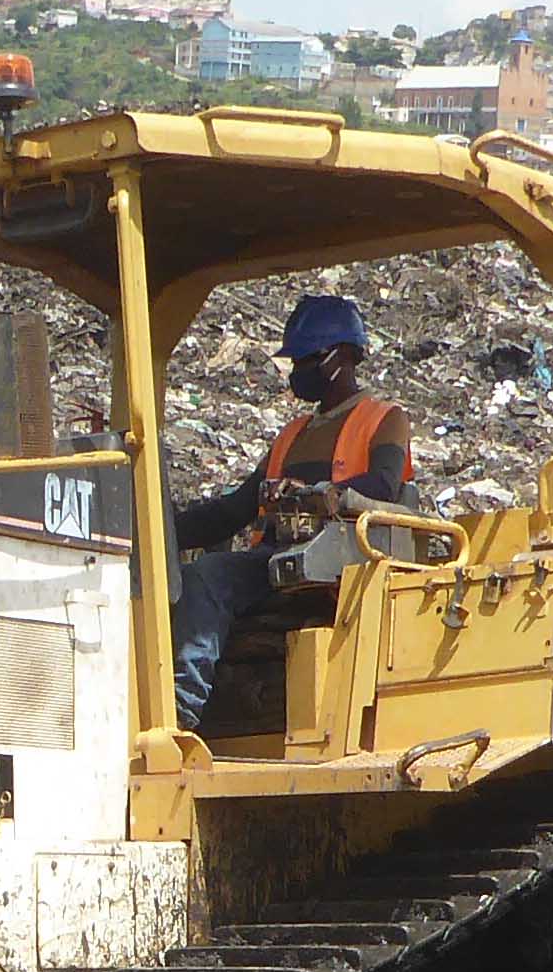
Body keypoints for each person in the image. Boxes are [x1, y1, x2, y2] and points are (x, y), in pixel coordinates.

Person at [169, 293, 414, 732]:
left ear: (344, 356)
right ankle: (180, 710)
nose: (299, 372)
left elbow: (383, 485)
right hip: (277, 558)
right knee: (206, 575)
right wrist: (162, 528)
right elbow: (238, 509)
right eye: (296, 361)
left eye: (308, 359)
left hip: (346, 563)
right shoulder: (294, 434)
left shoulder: (383, 419)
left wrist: (323, 493)